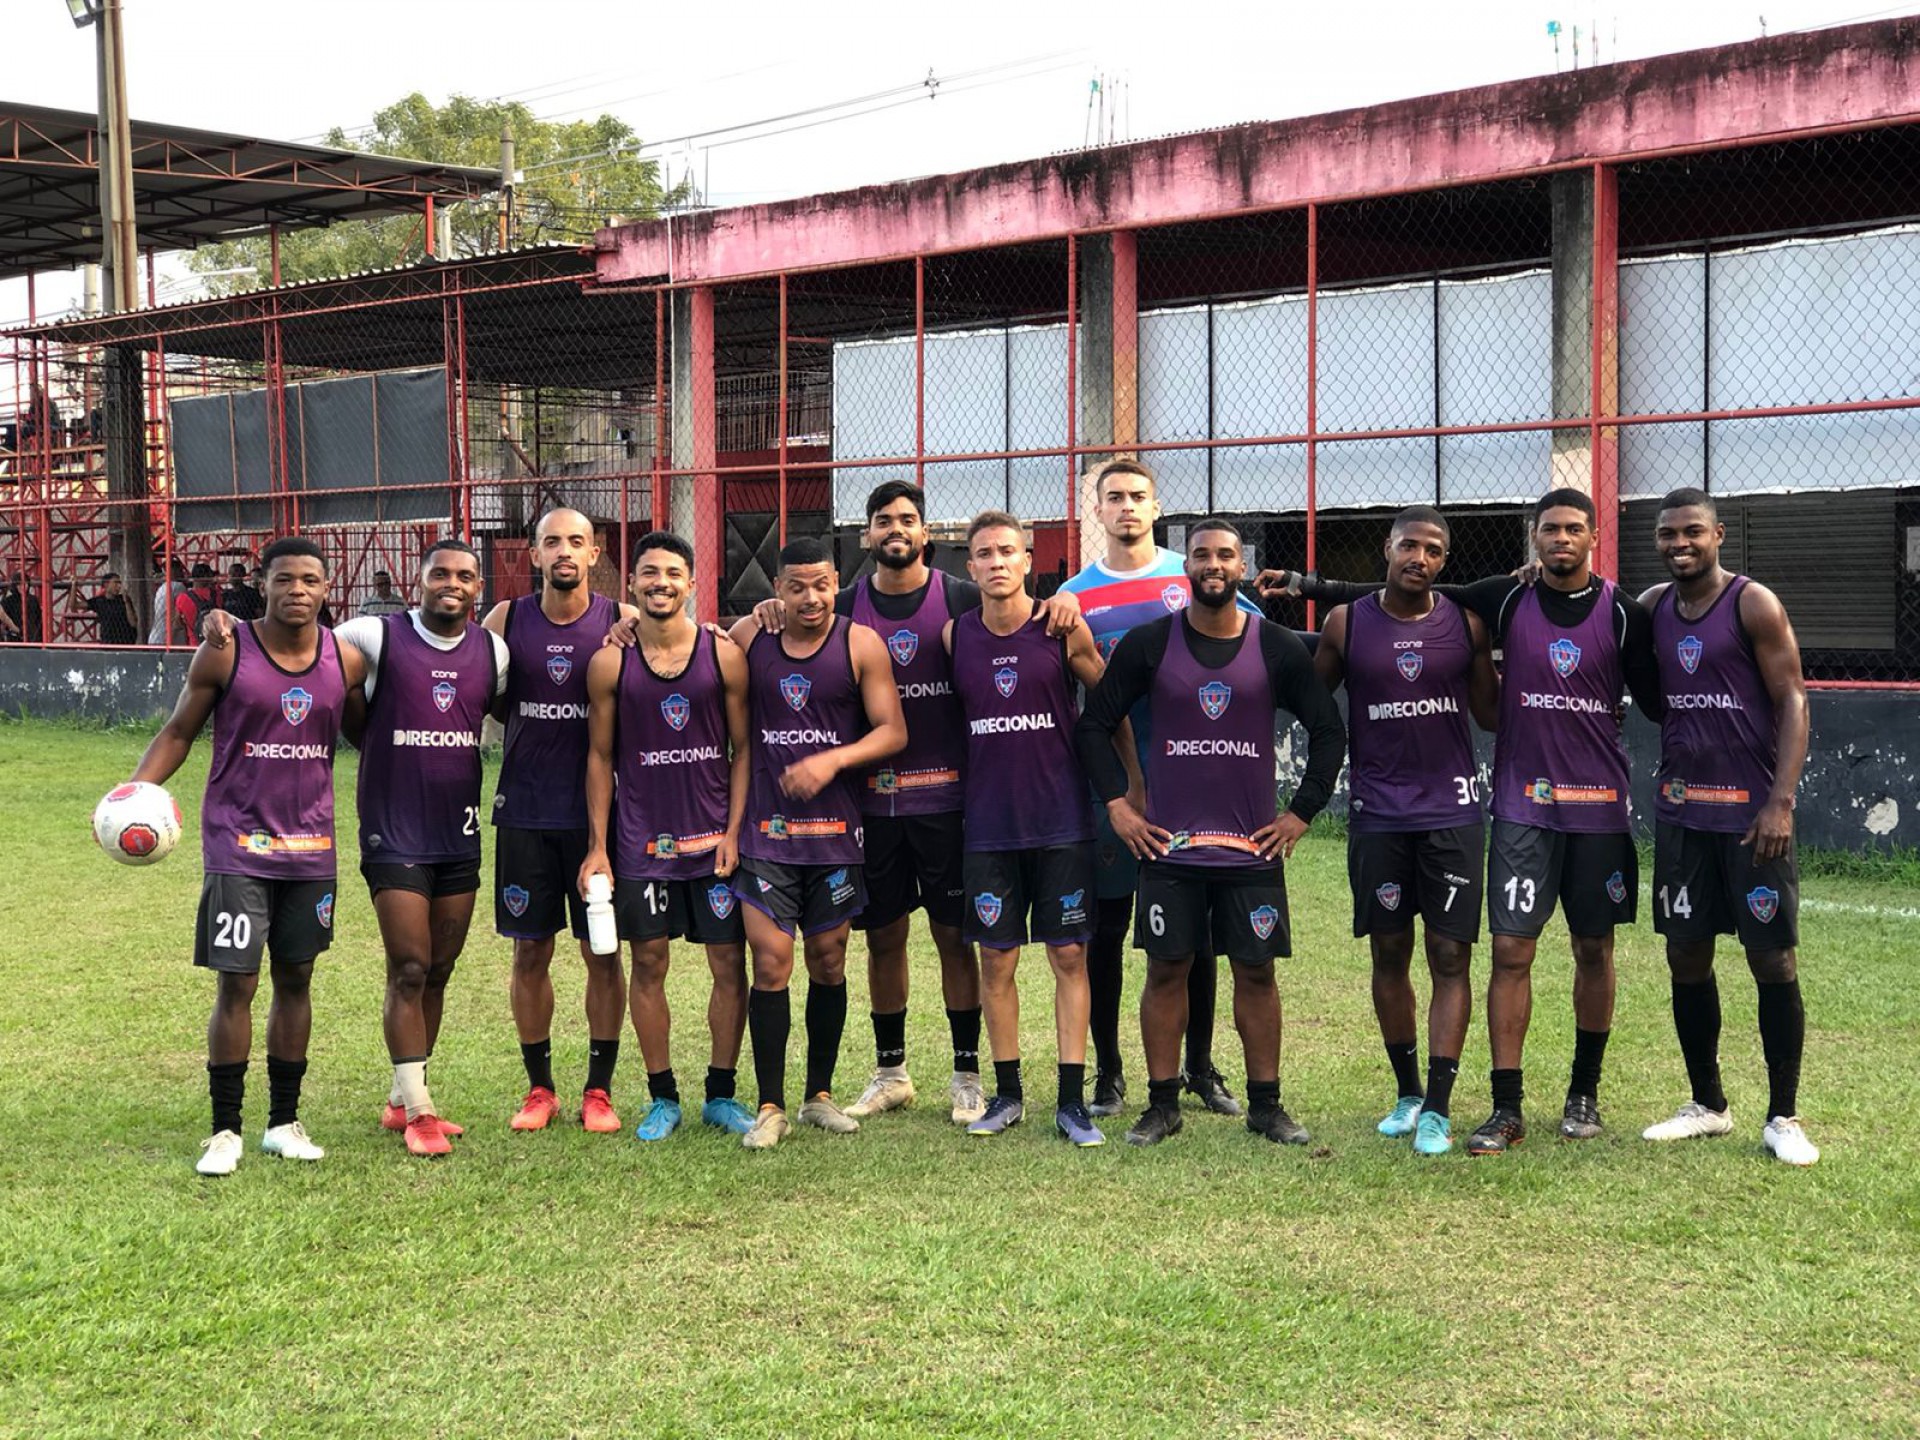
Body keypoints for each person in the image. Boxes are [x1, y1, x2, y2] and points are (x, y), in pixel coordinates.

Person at [1257, 488, 1663, 1155]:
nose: (1561, 540)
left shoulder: (1608, 613)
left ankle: (1573, 1091)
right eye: (1550, 530)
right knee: (1491, 951)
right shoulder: (1501, 599)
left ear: (1593, 535)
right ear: (1534, 537)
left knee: (1581, 950)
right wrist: (1305, 595)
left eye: (1573, 530)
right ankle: (1476, 1102)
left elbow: (1644, 693)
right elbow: (1395, 602)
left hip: (1577, 807)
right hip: (1498, 808)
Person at [750, 483, 1076, 1126]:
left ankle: (965, 1074)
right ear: (865, 536)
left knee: (956, 938)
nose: (895, 529)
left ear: (927, 533)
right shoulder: (839, 608)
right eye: (882, 521)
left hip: (951, 802)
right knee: (884, 939)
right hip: (870, 807)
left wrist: (1062, 603)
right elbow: (776, 623)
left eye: (908, 519)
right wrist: (768, 608)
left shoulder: (960, 599)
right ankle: (891, 1072)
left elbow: (1025, 612)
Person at [1076, 519, 1346, 1147]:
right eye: (1201, 555)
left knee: (1256, 973)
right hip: (1169, 848)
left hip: (1252, 850)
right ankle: (1162, 1104)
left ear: (1242, 567)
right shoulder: (1149, 643)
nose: (1214, 565)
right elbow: (1094, 724)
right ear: (1186, 568)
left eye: (1226, 555)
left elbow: (1328, 729)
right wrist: (1118, 806)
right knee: (1166, 970)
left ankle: (1266, 1106)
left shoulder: (1275, 644)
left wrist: (1302, 813)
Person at [125, 537, 363, 1174]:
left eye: (311, 580)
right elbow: (179, 731)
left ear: (326, 587)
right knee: (239, 984)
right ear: (263, 584)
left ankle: (283, 1122)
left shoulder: (346, 659)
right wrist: (136, 791)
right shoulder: (227, 647)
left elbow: (372, 733)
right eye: (285, 579)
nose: (298, 591)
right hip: (238, 845)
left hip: (312, 850)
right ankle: (225, 1130)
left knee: (297, 979)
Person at [1058, 458, 1264, 1120]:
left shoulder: (1195, 574)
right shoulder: (1074, 595)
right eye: (1113, 497)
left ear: (1156, 507)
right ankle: (1111, 1073)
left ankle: (1200, 1067)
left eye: (1137, 497)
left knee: (1195, 933)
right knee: (1107, 931)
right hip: (1112, 791)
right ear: (1096, 511)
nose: (1126, 507)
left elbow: (1263, 645)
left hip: (1196, 786)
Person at [1310, 506, 1499, 1156]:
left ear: (1445, 561)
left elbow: (1491, 712)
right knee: (1389, 953)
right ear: (1387, 549)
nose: (1420, 558)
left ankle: (1440, 1111)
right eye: (1409, 546)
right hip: (1379, 815)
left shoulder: (1466, 625)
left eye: (1434, 550)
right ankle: (1409, 1093)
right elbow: (1312, 705)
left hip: (1451, 815)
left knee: (1450, 956)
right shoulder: (1347, 623)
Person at [1638, 488, 1817, 1165]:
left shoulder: (1752, 603)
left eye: (1692, 533)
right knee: (1686, 953)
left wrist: (1781, 801)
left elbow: (1794, 697)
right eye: (1667, 535)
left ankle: (1784, 1116)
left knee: (1771, 957)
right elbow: (1588, 615)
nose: (1679, 544)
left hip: (1751, 817)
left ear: (1717, 535)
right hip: (1684, 813)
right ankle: (1708, 1103)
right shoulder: (1653, 607)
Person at [947, 509, 1130, 1146]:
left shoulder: (1061, 627)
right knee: (995, 961)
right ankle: (1007, 1095)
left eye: (1008, 552)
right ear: (970, 568)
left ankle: (1072, 1102)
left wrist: (1128, 789)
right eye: (984, 554)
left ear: (1028, 561)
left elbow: (1109, 708)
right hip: (989, 828)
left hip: (1061, 823)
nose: (996, 562)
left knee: (1069, 955)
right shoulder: (955, 637)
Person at [727, 536, 908, 1150]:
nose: (811, 597)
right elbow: (693, 649)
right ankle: (770, 1105)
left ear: (837, 582)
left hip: (836, 835)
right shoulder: (752, 638)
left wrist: (833, 761)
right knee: (771, 963)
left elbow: (892, 731)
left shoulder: (860, 643)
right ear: (776, 589)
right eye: (796, 586)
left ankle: (818, 1096)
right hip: (765, 833)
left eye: (822, 584)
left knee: (828, 960)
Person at [580, 530, 755, 1140]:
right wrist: (599, 846)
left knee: (729, 964)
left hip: (713, 844)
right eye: (649, 573)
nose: (661, 583)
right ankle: (663, 1097)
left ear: (691, 583)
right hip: (640, 844)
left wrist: (734, 830)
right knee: (647, 962)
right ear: (631, 585)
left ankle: (721, 1093)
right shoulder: (610, 662)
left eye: (672, 573)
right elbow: (600, 758)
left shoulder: (723, 654)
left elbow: (744, 749)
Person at [483, 509, 636, 1135]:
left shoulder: (623, 622)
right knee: (529, 951)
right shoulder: (505, 621)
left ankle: (598, 1090)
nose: (565, 551)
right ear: (536, 556)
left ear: (595, 554)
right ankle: (539, 1088)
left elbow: (685, 651)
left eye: (577, 541)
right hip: (524, 811)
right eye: (552, 542)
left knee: (603, 950)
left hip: (600, 818)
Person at [67, 571, 141, 645]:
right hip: (108, 642)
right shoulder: (99, 601)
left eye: (119, 583)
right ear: (106, 584)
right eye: (116, 583)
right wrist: (74, 586)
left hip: (126, 641)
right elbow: (74, 605)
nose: (119, 586)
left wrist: (126, 602)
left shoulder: (123, 599)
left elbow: (133, 623)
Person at [172, 563, 223, 645]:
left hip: (194, 643)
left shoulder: (182, 598)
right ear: (206, 577)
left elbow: (178, 624)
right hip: (214, 644)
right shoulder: (216, 595)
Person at [149, 560, 186, 645]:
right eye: (180, 570)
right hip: (168, 637)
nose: (182, 573)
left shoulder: (162, 587)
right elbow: (179, 613)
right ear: (174, 571)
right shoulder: (177, 586)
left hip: (157, 635)